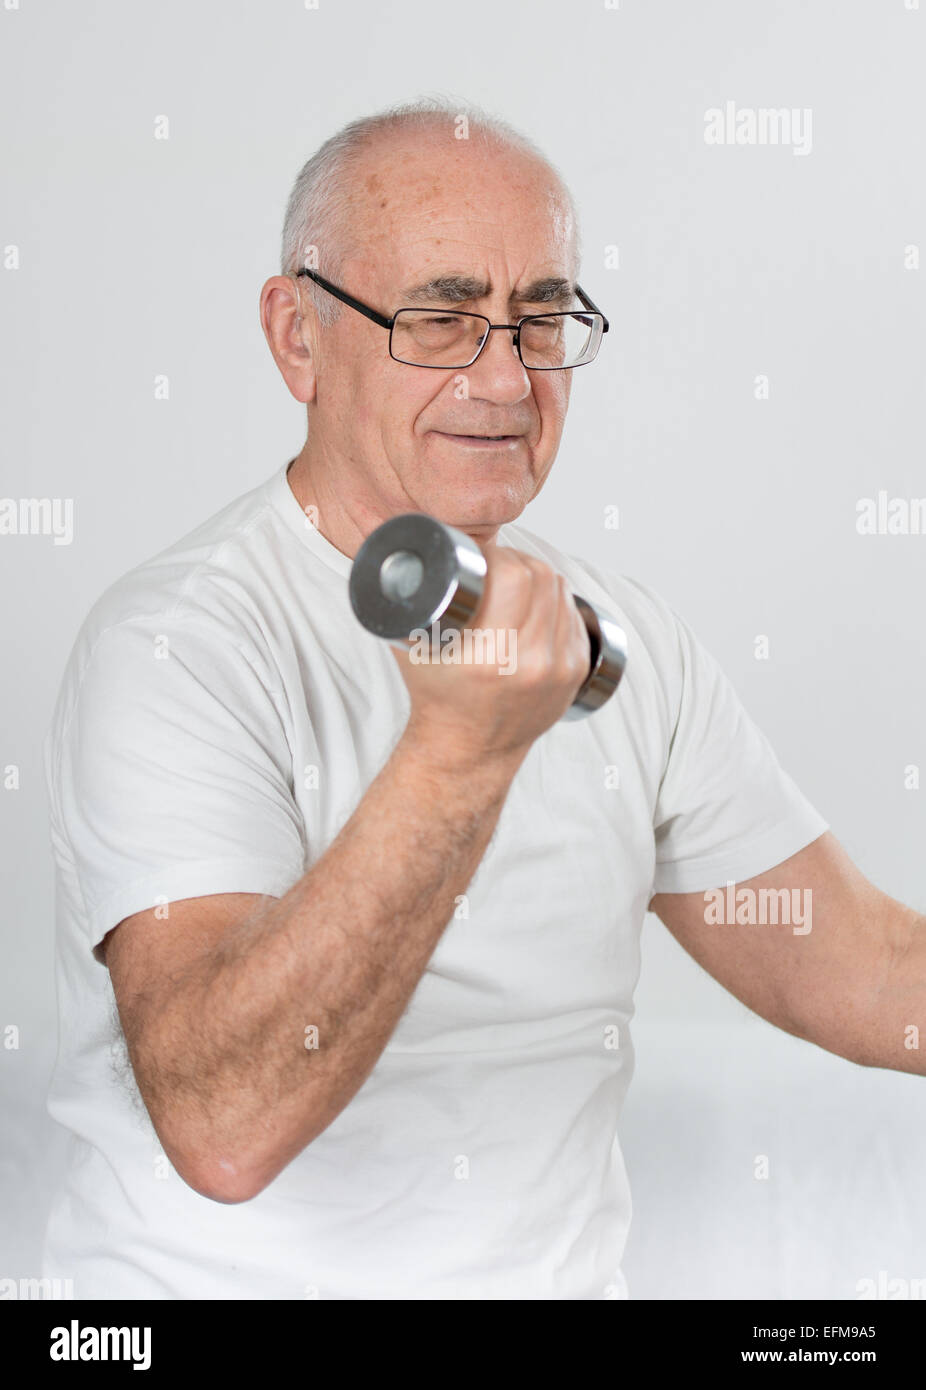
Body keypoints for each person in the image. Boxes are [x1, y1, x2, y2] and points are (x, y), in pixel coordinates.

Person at [41, 97, 923, 1301]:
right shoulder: (178, 644)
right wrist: (459, 756)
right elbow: (223, 1125)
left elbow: (859, 966)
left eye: (541, 319)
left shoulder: (622, 639)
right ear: (297, 337)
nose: (504, 377)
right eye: (441, 318)